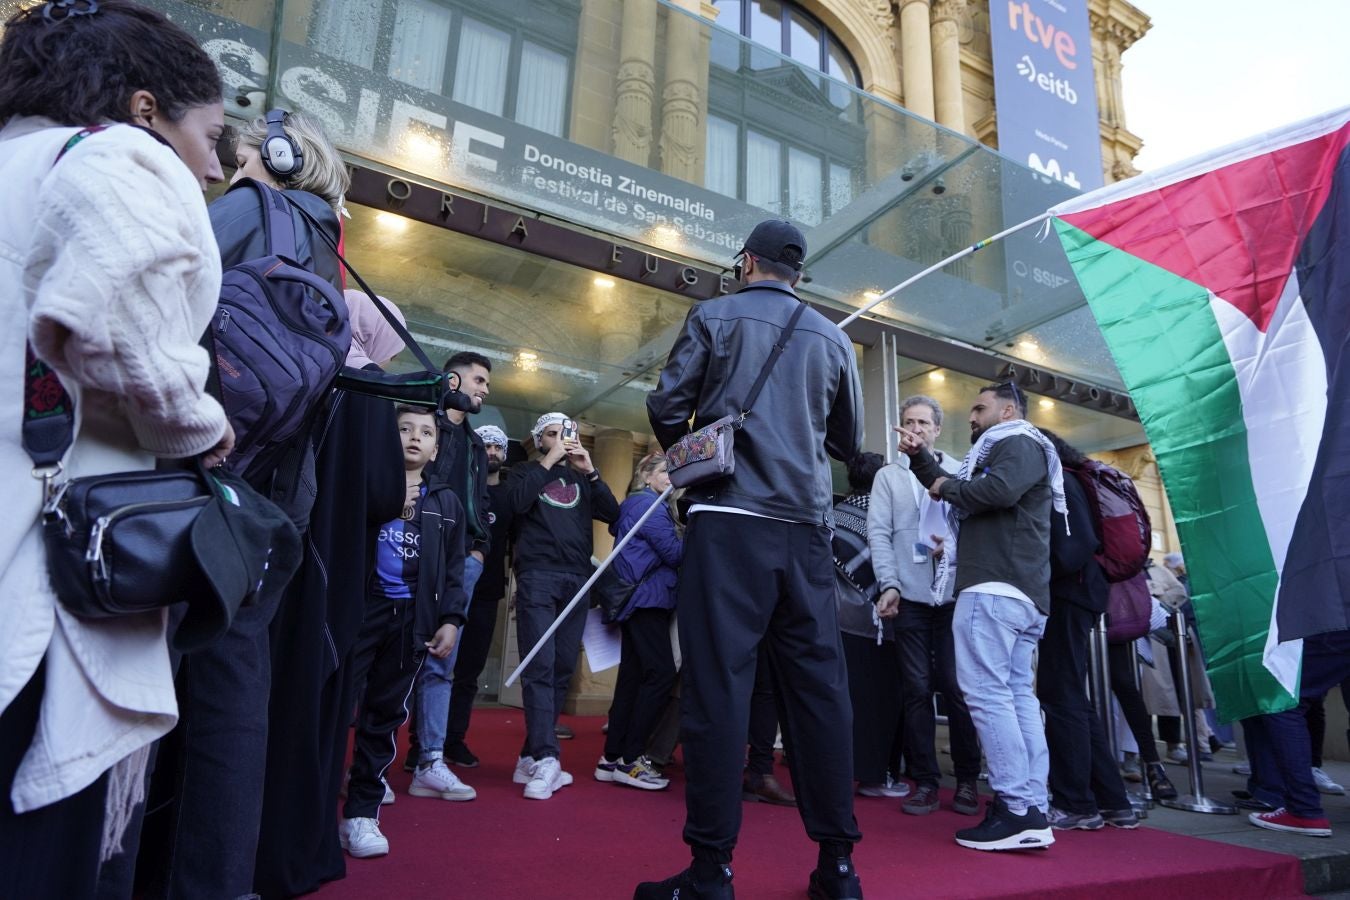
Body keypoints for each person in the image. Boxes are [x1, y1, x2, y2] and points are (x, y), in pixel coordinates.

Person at [0, 2, 232, 894]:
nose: (215, 167)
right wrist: (199, 423)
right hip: (44, 576)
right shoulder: (117, 158)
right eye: (210, 136)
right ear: (145, 109)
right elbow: (115, 317)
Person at [147, 104, 351, 900]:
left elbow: (160, 310)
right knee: (236, 689)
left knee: (142, 669)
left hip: (200, 472)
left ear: (277, 152)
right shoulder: (330, 246)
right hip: (276, 501)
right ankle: (216, 882)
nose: (225, 156)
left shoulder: (246, 210)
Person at [641, 219, 864, 900]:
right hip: (805, 529)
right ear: (798, 273)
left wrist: (698, 445)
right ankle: (839, 869)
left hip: (730, 521)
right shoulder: (834, 338)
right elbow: (847, 441)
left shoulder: (713, 315)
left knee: (718, 690)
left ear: (747, 263)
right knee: (820, 695)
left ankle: (712, 871)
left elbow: (667, 403)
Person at [253, 291, 407, 897]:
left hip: (281, 555)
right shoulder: (365, 386)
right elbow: (383, 492)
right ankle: (293, 850)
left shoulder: (309, 363)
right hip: (333, 560)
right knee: (313, 701)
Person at [899, 381, 1062, 852]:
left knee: (990, 697)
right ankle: (1030, 808)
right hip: (1019, 593)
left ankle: (1014, 807)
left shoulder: (1017, 440)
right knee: (1014, 698)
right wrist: (920, 456)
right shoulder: (1014, 446)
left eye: (979, 407)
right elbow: (956, 489)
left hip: (994, 588)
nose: (971, 416)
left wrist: (950, 485)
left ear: (1008, 410)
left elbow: (993, 492)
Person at [340, 406, 468, 858]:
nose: (415, 437)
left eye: (426, 432)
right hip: (359, 612)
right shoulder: (366, 483)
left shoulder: (446, 501)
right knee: (335, 712)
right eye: (405, 429)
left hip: (411, 622)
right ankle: (313, 806)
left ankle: (362, 814)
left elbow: (455, 567)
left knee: (385, 717)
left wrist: (451, 619)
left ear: (435, 448)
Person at [870, 396, 981, 816]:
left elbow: (976, 528)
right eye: (907, 422)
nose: (914, 428)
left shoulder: (959, 472)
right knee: (915, 690)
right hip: (910, 597)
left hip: (954, 596)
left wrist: (950, 550)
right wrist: (889, 584)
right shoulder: (888, 477)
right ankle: (926, 782)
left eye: (922, 422)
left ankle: (968, 780)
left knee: (956, 688)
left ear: (936, 429)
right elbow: (878, 535)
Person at [509, 412, 620, 800]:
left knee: (560, 669)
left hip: (577, 579)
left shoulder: (579, 477)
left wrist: (590, 472)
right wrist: (547, 461)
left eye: (567, 435)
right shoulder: (524, 471)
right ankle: (546, 756)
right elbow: (515, 505)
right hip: (538, 575)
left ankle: (530, 756)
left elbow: (614, 515)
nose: (562, 441)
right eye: (553, 435)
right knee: (538, 666)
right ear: (539, 439)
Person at [1036, 430, 1138, 831]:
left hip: (1069, 595)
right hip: (1083, 595)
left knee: (1059, 696)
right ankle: (1113, 801)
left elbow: (1073, 547)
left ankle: (1075, 803)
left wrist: (1038, 572)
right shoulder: (1075, 477)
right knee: (1073, 698)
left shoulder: (1060, 481)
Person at [405, 351, 492, 796]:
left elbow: (479, 501)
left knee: (444, 660)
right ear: (452, 379)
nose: (483, 390)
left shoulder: (476, 445)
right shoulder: (423, 423)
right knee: (395, 653)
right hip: (415, 547)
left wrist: (479, 550)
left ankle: (430, 759)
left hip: (464, 559)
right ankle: (372, 761)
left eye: (486, 385)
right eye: (478, 380)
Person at [596, 453, 682, 791]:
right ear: (646, 476)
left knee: (632, 679)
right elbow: (676, 554)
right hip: (648, 601)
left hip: (641, 601)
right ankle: (631, 760)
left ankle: (611, 757)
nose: (670, 478)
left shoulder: (642, 505)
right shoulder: (648, 505)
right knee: (660, 674)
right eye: (664, 472)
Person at [832, 453, 907, 803]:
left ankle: (833, 769)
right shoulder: (885, 519)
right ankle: (874, 775)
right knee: (876, 702)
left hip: (833, 621)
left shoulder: (833, 515)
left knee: (837, 701)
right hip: (878, 622)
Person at [443, 424, 514, 768]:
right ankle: (421, 744)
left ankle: (453, 740)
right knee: (437, 667)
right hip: (452, 589)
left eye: (498, 447)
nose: (492, 453)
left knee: (468, 673)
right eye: (485, 446)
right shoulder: (461, 490)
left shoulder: (509, 499)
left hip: (486, 595)